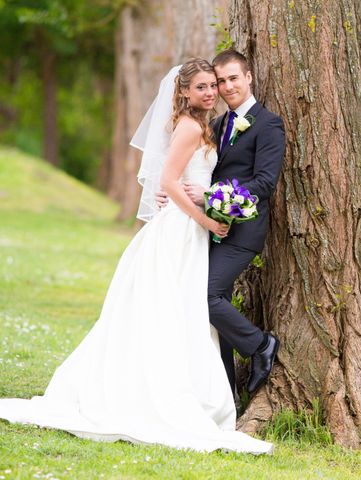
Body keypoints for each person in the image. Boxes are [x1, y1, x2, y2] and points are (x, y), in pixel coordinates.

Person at [0, 59, 272, 454]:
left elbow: (186, 180)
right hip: (183, 231)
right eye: (201, 87)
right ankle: (163, 391)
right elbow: (167, 181)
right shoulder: (191, 126)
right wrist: (204, 218)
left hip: (192, 232)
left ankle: (196, 387)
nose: (211, 92)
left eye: (214, 85)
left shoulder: (208, 126)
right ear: (183, 93)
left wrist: (200, 204)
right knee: (174, 309)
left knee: (183, 310)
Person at [157, 49, 286, 396]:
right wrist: (168, 194)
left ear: (248, 77)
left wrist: (210, 194)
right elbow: (187, 169)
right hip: (207, 232)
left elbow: (263, 184)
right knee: (216, 310)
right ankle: (226, 394)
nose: (226, 87)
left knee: (205, 295)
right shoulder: (214, 124)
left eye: (232, 79)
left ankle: (260, 345)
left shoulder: (269, 124)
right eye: (220, 81)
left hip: (242, 232)